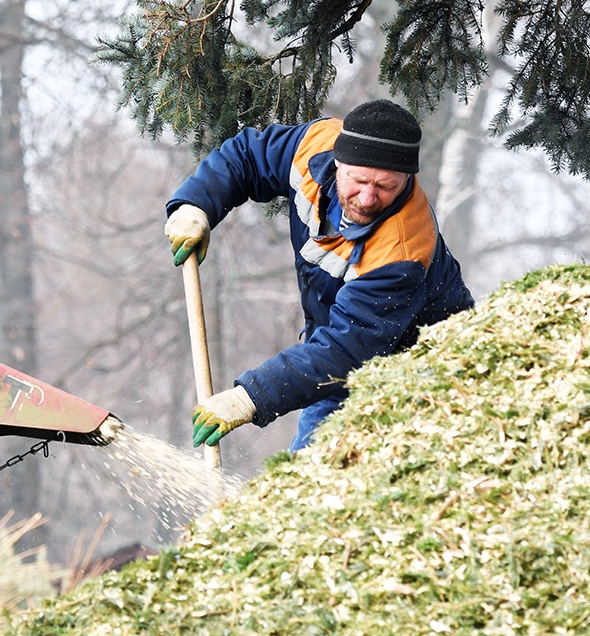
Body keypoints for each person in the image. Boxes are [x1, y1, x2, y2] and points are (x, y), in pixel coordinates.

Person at [165, 99, 474, 452]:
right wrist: (195, 204)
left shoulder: (403, 251)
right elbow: (247, 157)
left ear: (407, 178)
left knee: (318, 473)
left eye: (385, 187)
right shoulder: (313, 145)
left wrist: (250, 396)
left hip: (415, 366)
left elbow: (343, 351)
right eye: (358, 180)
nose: (368, 197)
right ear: (337, 161)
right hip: (342, 349)